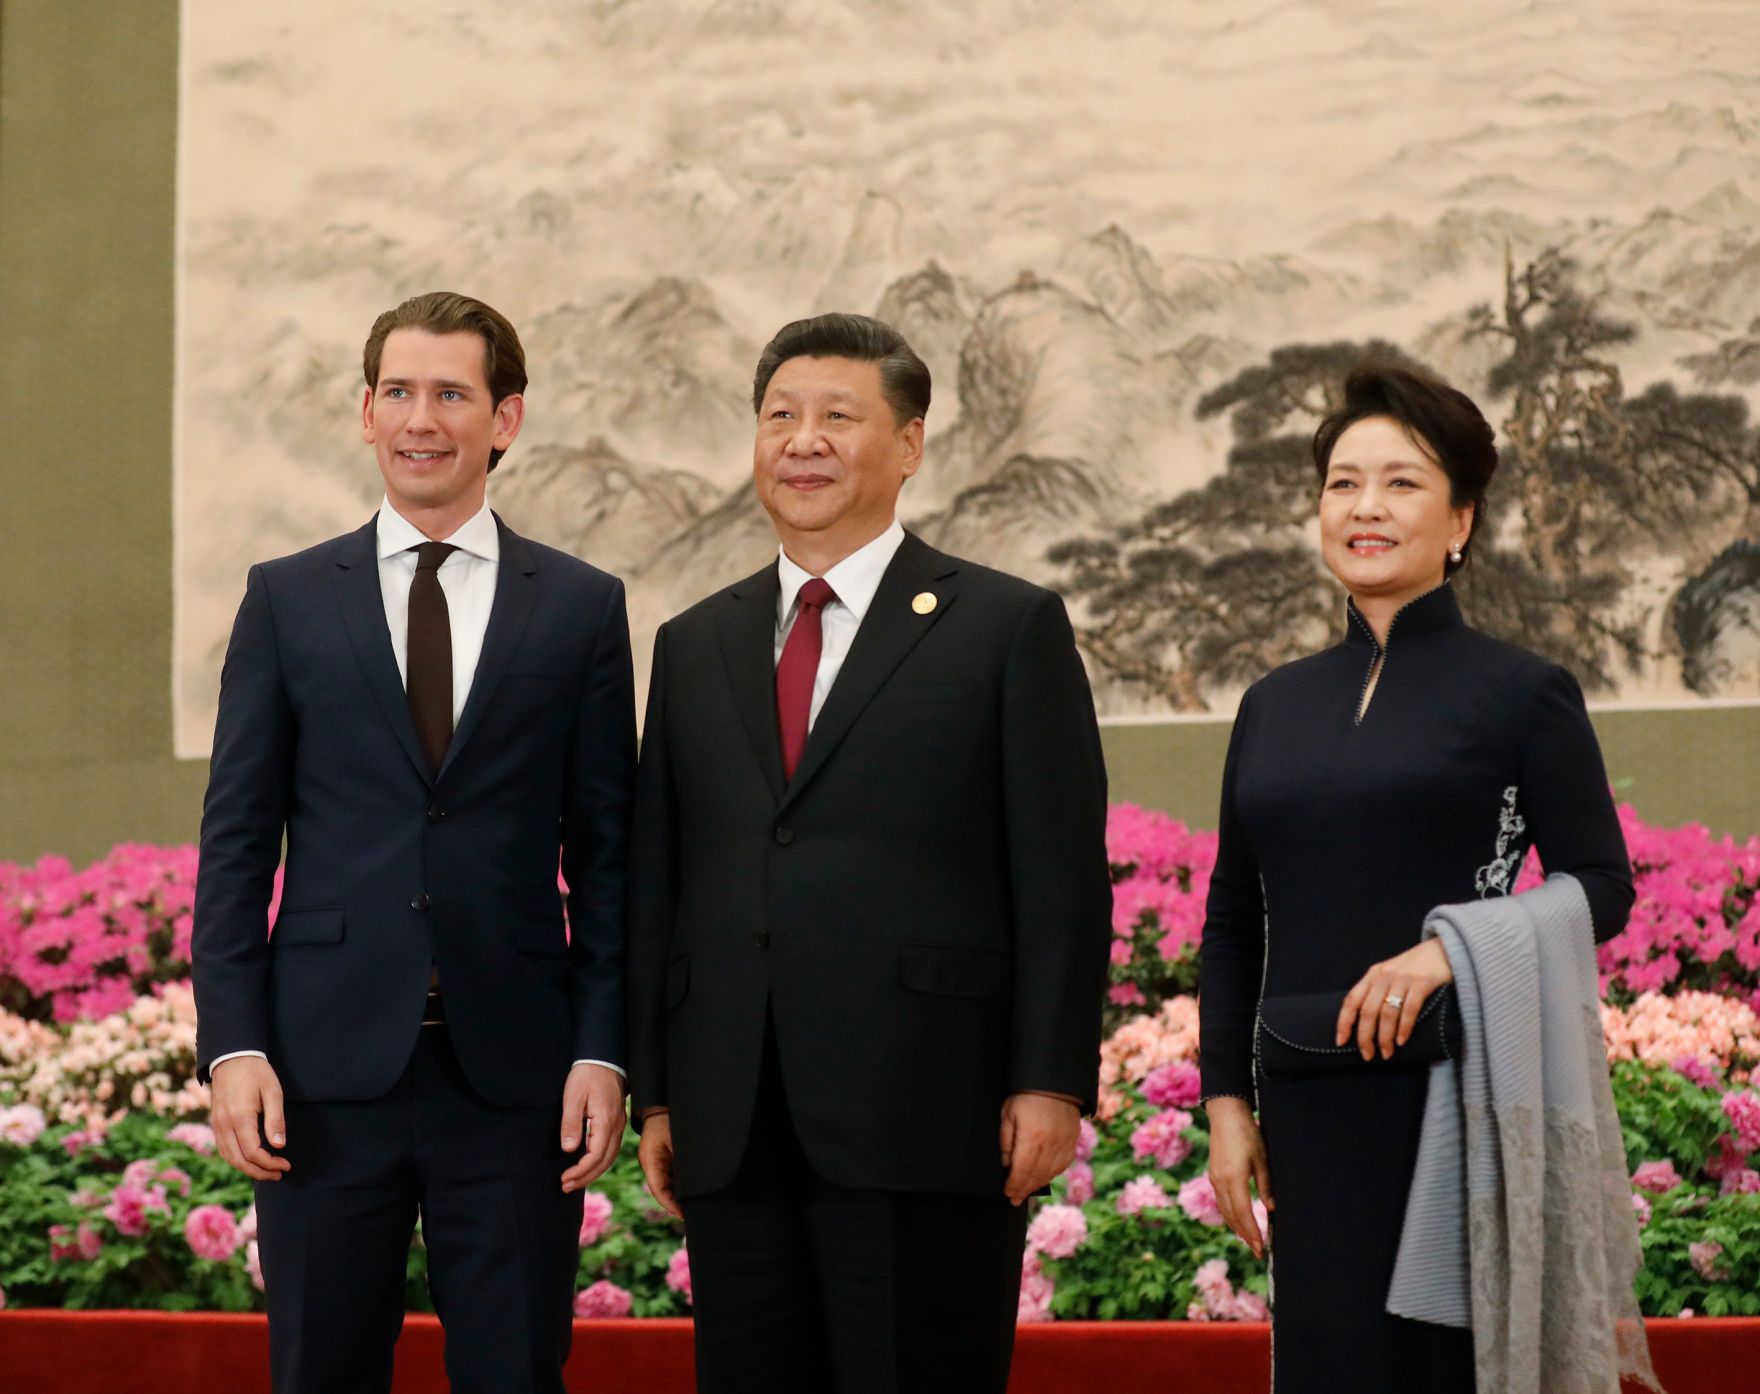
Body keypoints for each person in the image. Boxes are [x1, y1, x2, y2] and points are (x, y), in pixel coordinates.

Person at [627, 312, 1112, 1394]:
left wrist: (1047, 1078)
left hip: (925, 1111)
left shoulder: (1002, 625)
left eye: (838, 416)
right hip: (732, 1115)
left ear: (908, 444)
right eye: (779, 416)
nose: (803, 439)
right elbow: (662, 876)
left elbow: (1059, 877)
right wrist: (657, 1089)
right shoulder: (693, 640)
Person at [192, 291, 636, 1394]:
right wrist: (233, 1043)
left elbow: (610, 852)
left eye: (450, 392)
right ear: (364, 410)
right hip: (320, 1079)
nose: (420, 417)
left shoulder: (580, 606)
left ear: (505, 419)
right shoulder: (287, 599)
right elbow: (237, 841)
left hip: (518, 1083)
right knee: (322, 1371)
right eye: (398, 391)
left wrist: (602, 1047)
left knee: (517, 1371)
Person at [1198, 365, 1635, 1393]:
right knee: (1327, 1360)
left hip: (1455, 1090)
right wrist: (1224, 1100)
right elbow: (1231, 913)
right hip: (1305, 1100)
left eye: (1398, 482)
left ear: (1459, 519)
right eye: (1341, 483)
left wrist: (1449, 951)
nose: (1363, 506)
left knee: (1443, 1366)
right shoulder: (1272, 702)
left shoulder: (1522, 691)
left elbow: (1600, 881)